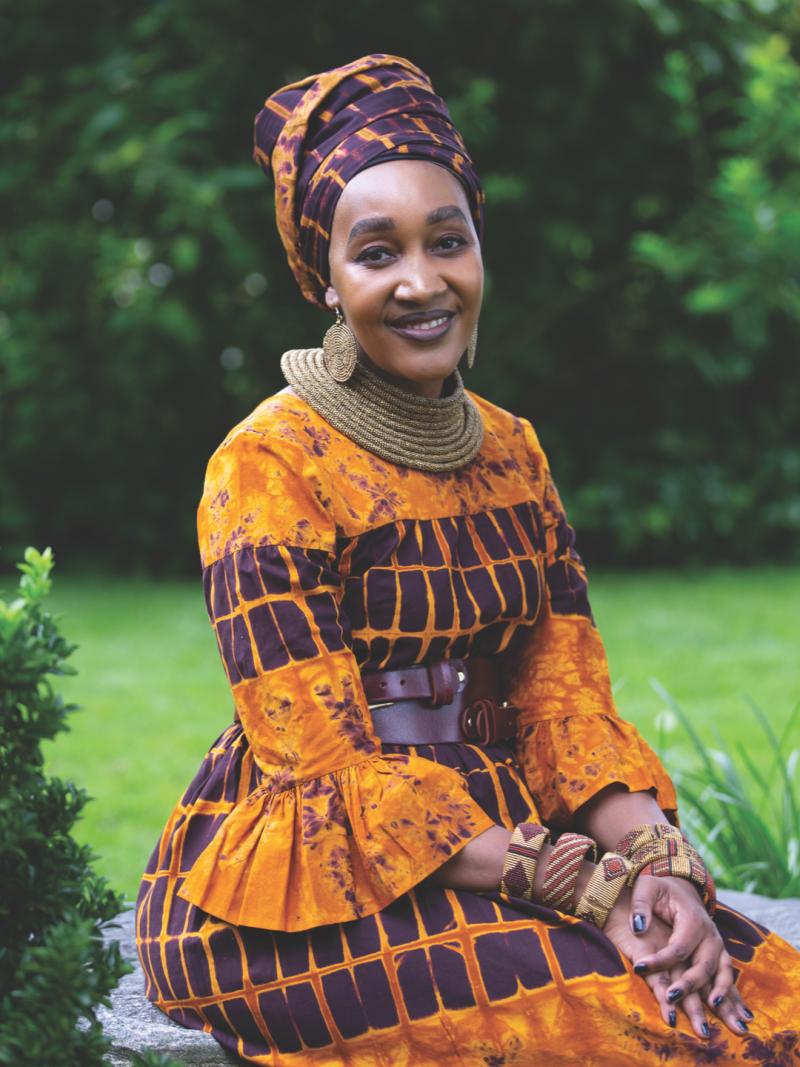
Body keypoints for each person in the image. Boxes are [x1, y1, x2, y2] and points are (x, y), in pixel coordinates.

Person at [136, 54, 800, 1065]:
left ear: (479, 248)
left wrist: (657, 867)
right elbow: (325, 769)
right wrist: (589, 887)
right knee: (642, 1020)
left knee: (761, 994)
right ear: (323, 275)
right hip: (306, 884)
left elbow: (561, 705)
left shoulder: (513, 450)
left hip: (512, 836)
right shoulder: (268, 462)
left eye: (447, 241)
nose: (419, 281)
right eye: (375, 252)